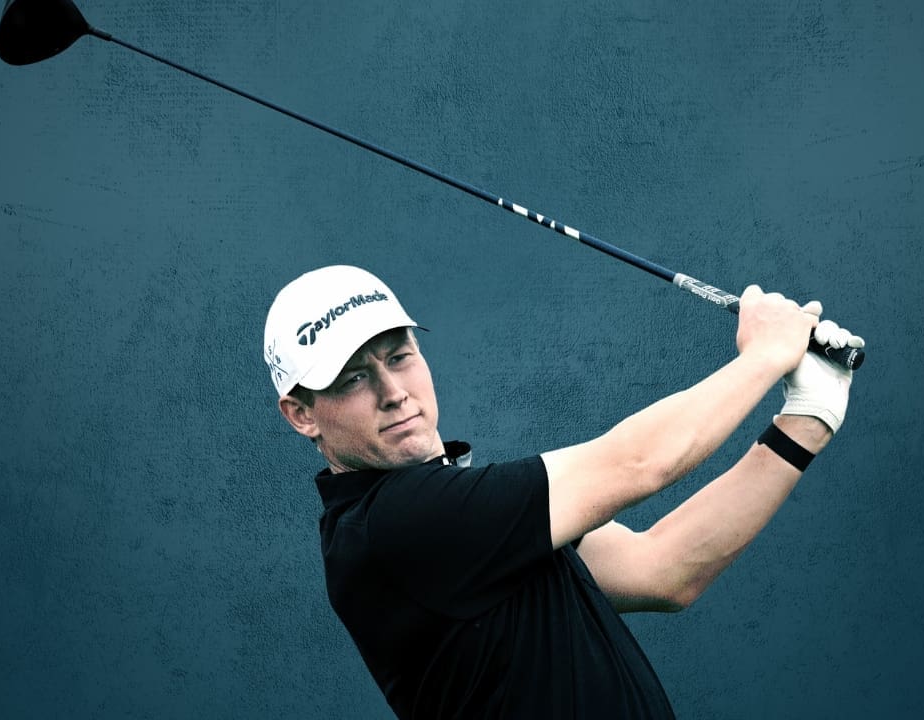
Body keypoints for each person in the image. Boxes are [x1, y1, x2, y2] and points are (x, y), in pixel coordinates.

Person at [263, 264, 864, 719]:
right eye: (354, 378)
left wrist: (808, 417)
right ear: (302, 414)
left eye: (400, 357)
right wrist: (765, 355)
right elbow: (637, 463)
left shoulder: (455, 518)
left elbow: (662, 570)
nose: (394, 392)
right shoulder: (396, 524)